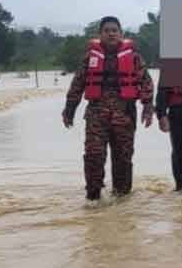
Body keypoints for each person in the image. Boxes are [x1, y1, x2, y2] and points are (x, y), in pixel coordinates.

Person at [63, 16, 155, 201]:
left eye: (115, 30)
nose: (111, 33)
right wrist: (70, 109)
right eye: (107, 30)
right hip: (96, 115)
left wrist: (148, 107)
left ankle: (122, 201)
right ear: (100, 34)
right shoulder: (90, 57)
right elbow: (78, 83)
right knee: (94, 155)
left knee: (123, 159)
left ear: (121, 34)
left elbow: (146, 82)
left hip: (125, 115)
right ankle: (93, 198)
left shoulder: (134, 57)